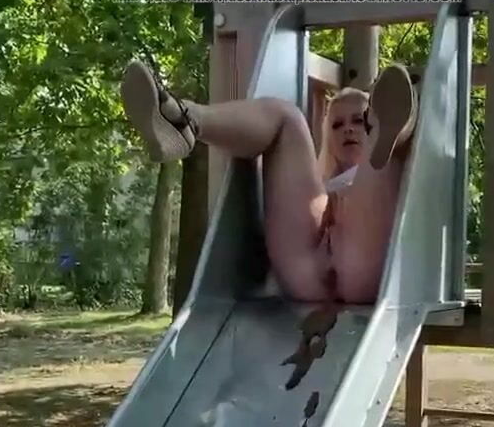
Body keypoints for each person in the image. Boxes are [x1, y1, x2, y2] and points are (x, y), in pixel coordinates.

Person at [119, 59, 418, 304]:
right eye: (337, 125)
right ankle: (183, 119)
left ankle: (391, 125)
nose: (348, 129)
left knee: (386, 158)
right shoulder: (314, 183)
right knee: (288, 117)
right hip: (307, 268)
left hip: (365, 260)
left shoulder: (394, 177)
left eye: (359, 120)